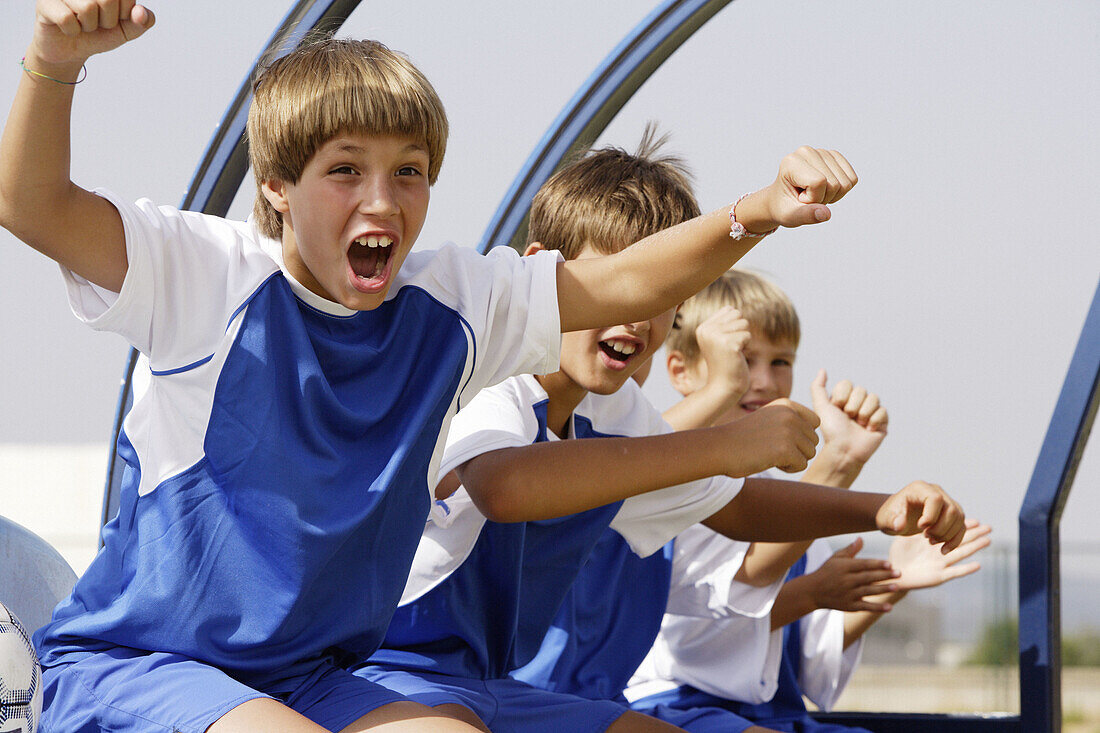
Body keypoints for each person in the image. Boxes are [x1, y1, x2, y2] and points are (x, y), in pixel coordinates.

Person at [1, 4, 859, 732]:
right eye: (345, 171)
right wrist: (54, 61)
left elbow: (621, 279)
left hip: (314, 671)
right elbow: (30, 204)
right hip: (145, 660)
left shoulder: (453, 302)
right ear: (274, 187)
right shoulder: (203, 272)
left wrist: (758, 212)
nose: (383, 200)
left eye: (408, 172)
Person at [352, 134, 966, 733]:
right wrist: (724, 444)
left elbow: (737, 506)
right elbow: (505, 486)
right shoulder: (493, 370)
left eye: (662, 293)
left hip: (489, 685)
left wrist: (880, 510)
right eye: (617, 284)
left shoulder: (615, 415)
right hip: (386, 672)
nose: (636, 313)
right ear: (545, 271)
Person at [620, 269, 992, 732]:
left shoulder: (786, 495)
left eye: (781, 362)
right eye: (743, 358)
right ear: (681, 370)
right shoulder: (669, 472)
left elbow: (810, 653)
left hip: (768, 709)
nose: (763, 380)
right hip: (673, 706)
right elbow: (709, 622)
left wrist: (890, 580)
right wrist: (837, 466)